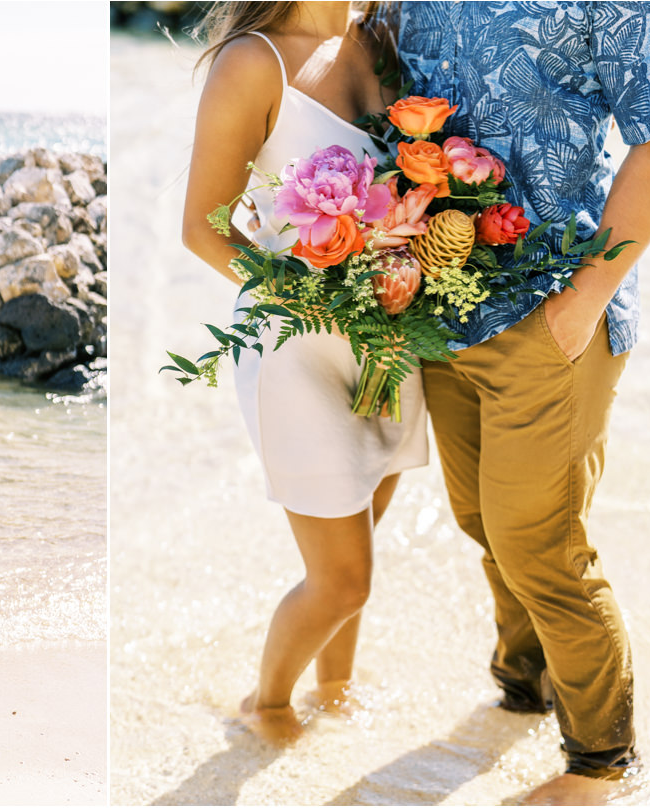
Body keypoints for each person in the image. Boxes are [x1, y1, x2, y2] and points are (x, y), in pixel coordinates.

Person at [397, 2, 650, 803]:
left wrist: (584, 301)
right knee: (482, 524)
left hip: (555, 309)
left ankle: (602, 762)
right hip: (440, 308)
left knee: (540, 544)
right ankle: (521, 691)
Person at [181, 1, 427, 744]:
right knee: (342, 576)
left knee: (361, 546)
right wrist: (316, 293)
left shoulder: (379, 39)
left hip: (387, 339)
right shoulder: (253, 61)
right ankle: (268, 708)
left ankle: (335, 692)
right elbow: (203, 224)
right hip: (298, 345)